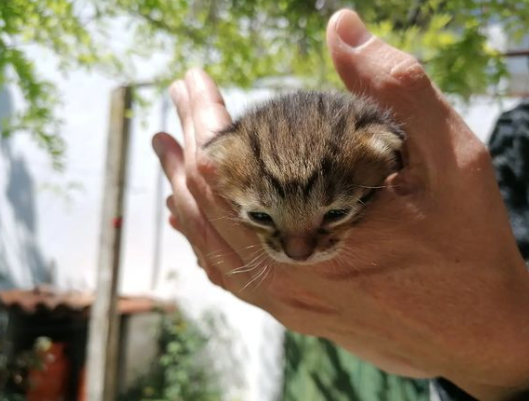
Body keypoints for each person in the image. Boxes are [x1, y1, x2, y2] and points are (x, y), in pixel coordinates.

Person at [152, 9, 529, 401]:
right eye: (261, 216)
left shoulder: (385, 155)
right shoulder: (516, 143)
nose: (298, 251)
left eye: (335, 213)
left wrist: (497, 355)